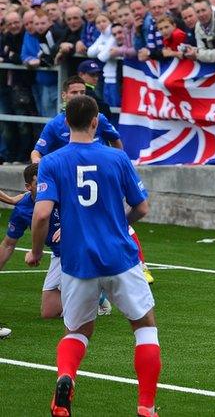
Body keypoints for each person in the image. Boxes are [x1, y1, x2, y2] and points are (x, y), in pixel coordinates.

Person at [26, 95, 159, 417]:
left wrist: (35, 252)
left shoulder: (52, 162)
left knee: (77, 331)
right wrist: (119, 225)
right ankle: (146, 406)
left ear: (65, 123)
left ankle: (66, 377)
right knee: (145, 327)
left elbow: (42, 214)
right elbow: (141, 206)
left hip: (77, 261)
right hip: (120, 258)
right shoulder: (117, 158)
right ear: (96, 121)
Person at [0, 163, 64, 319]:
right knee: (49, 313)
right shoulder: (22, 208)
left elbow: (90, 211)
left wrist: (69, 225)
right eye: (39, 184)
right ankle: (96, 294)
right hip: (59, 255)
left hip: (83, 249)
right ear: (28, 187)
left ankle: (95, 287)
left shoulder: (63, 194)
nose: (45, 186)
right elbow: (8, 244)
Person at [32, 76, 122, 164]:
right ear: (64, 95)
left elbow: (115, 141)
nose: (79, 96)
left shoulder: (99, 118)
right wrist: (36, 160)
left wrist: (118, 163)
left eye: (82, 92)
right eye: (74, 92)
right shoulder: (55, 124)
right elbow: (37, 152)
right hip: (70, 173)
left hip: (99, 170)